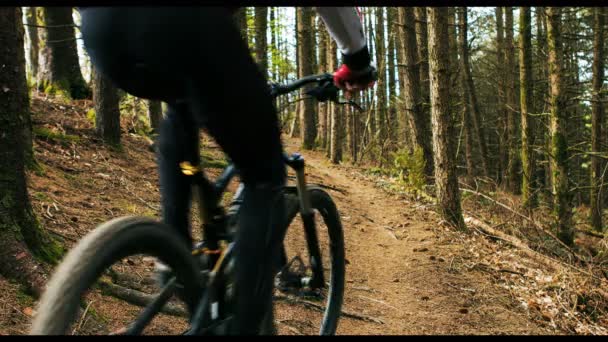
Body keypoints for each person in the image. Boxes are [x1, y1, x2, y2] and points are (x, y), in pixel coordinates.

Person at [78, 6, 375, 334]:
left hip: (102, 32)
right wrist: (357, 61)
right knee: (264, 175)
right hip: (185, 24)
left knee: (181, 106)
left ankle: (174, 252)